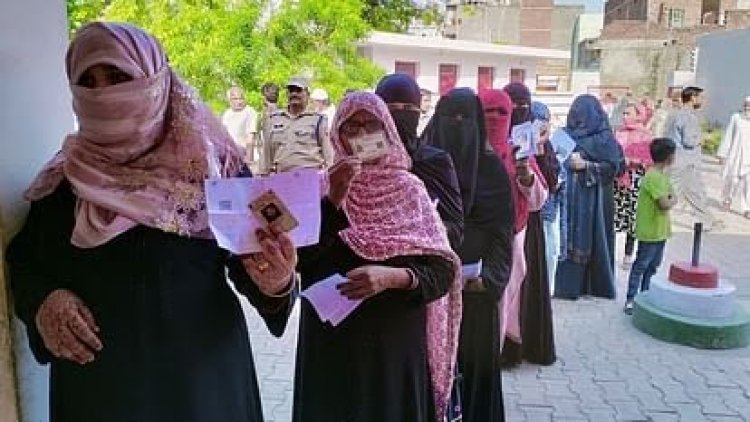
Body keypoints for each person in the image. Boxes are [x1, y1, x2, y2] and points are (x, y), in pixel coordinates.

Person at [6, 22, 297, 422]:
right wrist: (44, 302)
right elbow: (26, 261)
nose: (104, 92)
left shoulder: (215, 169)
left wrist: (277, 283)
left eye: (118, 76)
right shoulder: (64, 180)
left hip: (201, 385)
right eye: (88, 81)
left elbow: (253, 260)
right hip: (101, 390)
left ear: (155, 80)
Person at [292, 91, 462, 422]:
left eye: (371, 125)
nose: (360, 134)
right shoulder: (315, 188)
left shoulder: (409, 190)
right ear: (335, 134)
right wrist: (335, 198)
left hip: (393, 349)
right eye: (350, 126)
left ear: (387, 130)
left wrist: (392, 278)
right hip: (331, 346)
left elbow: (443, 271)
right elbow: (299, 262)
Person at [422, 87, 515, 422]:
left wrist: (489, 280)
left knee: (474, 377)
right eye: (450, 118)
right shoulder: (422, 167)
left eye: (465, 119)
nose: (457, 126)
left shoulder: (493, 172)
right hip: (427, 294)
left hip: (475, 298)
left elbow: (503, 236)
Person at [493, 83, 556, 367]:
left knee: (516, 291)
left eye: (520, 106)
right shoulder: (474, 144)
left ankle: (510, 347)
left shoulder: (525, 147)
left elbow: (543, 192)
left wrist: (530, 165)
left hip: (522, 229)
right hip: (484, 235)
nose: (515, 112)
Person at [375, 73, 464, 249]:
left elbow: (456, 229)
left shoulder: (435, 161)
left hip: (420, 264)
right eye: (392, 107)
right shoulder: (364, 161)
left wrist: (417, 228)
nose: (401, 113)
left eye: (408, 107)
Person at [555, 94, 625, 300]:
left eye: (582, 112)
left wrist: (587, 165)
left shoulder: (604, 138)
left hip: (593, 201)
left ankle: (591, 285)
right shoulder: (563, 134)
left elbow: (615, 167)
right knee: (565, 237)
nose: (578, 117)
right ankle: (563, 286)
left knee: (590, 239)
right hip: (566, 199)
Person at [624, 138, 677, 314]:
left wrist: (671, 199)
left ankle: (645, 296)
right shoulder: (653, 176)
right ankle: (631, 299)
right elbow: (665, 202)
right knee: (641, 265)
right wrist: (670, 199)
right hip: (650, 231)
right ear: (669, 157)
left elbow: (672, 197)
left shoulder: (662, 176)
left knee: (653, 266)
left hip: (660, 231)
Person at [666, 86, 718, 230]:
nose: (703, 101)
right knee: (688, 191)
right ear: (693, 98)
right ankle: (706, 221)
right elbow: (689, 141)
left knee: (691, 191)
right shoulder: (689, 117)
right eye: (701, 97)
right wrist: (703, 138)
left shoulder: (674, 114)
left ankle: (707, 219)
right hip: (686, 161)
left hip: (674, 158)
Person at [259, 77, 333, 174]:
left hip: (310, 178)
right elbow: (266, 154)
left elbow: (329, 156)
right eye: (291, 91)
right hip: (282, 178)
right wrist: (263, 176)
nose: (294, 94)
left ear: (307, 94)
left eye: (298, 90)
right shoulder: (274, 119)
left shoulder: (318, 120)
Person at [614, 103, 653, 268]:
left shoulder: (646, 136)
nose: (624, 116)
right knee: (614, 217)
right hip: (617, 180)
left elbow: (649, 160)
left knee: (632, 218)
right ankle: (610, 252)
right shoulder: (618, 133)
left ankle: (628, 255)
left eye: (628, 113)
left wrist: (635, 161)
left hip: (636, 180)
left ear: (639, 115)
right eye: (623, 113)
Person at [534, 102, 565, 292]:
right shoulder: (520, 144)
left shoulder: (551, 148)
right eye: (538, 120)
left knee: (549, 254)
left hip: (548, 212)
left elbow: (554, 178)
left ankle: (546, 295)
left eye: (546, 120)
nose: (543, 125)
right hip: (531, 216)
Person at [718, 96, 750, 219]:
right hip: (736, 156)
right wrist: (722, 154)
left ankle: (748, 208)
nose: (748, 107)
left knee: (749, 184)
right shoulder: (736, 118)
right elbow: (728, 135)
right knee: (732, 180)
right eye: (746, 105)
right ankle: (727, 200)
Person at [222, 86, 259, 164]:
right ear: (229, 100)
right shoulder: (226, 114)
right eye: (235, 99)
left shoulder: (250, 112)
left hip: (244, 157)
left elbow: (250, 137)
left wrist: (249, 160)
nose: (239, 101)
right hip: (229, 158)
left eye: (241, 98)